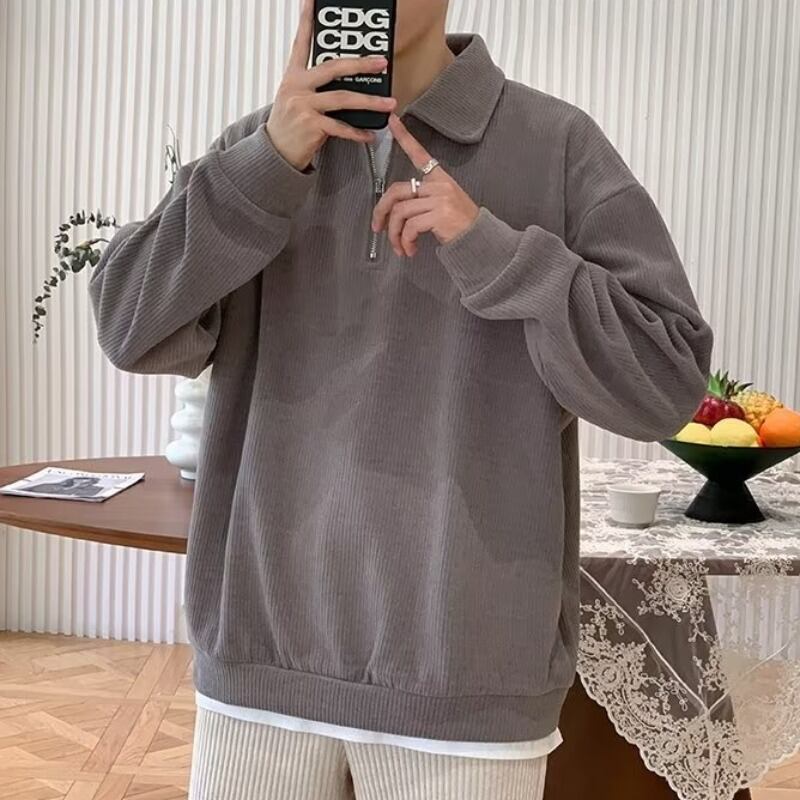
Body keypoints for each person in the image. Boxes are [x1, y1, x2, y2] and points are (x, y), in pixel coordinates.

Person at [88, 0, 714, 796]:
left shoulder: (554, 146)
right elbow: (128, 327)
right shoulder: (262, 147)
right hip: (260, 666)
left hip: (466, 684)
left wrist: (495, 248)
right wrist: (263, 166)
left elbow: (665, 382)